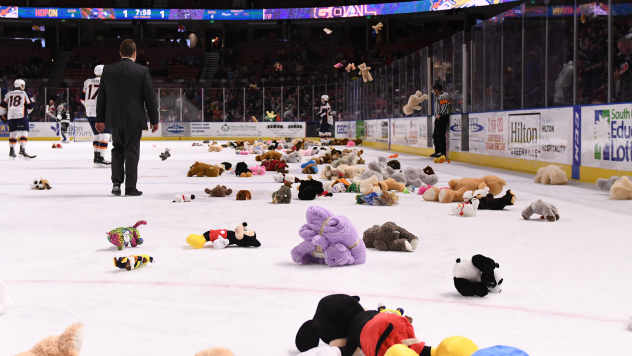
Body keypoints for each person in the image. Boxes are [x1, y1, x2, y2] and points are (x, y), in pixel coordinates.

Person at [96, 39, 159, 197]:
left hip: (114, 118)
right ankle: (130, 187)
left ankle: (116, 184)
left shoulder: (108, 70)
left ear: (120, 53)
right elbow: (150, 98)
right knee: (132, 150)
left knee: (117, 149)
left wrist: (100, 119)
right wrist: (154, 119)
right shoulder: (142, 71)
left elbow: (101, 98)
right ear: (135, 53)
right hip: (134, 118)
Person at [82, 64, 111, 168]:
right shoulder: (107, 81)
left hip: (89, 111)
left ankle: (96, 158)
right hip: (102, 110)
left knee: (97, 135)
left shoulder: (87, 81)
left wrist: (89, 107)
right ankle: (101, 159)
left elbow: (82, 99)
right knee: (106, 135)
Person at [0, 79, 36, 160]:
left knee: (13, 133)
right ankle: (22, 151)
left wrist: (2, 115)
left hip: (10, 116)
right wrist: (27, 113)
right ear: (22, 86)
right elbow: (30, 106)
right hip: (21, 115)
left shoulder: (8, 94)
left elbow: (2, 106)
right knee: (24, 132)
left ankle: (11, 152)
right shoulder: (25, 93)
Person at [431, 83, 450, 158]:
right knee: (435, 135)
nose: (433, 92)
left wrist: (441, 114)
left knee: (440, 136)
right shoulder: (439, 97)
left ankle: (442, 153)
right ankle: (438, 151)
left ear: (437, 90)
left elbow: (444, 106)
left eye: (434, 90)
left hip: (442, 118)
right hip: (439, 118)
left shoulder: (442, 96)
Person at [614, 37, 632, 102]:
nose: (620, 50)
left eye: (621, 47)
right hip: (623, 85)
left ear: (627, 45)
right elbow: (618, 71)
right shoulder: (621, 58)